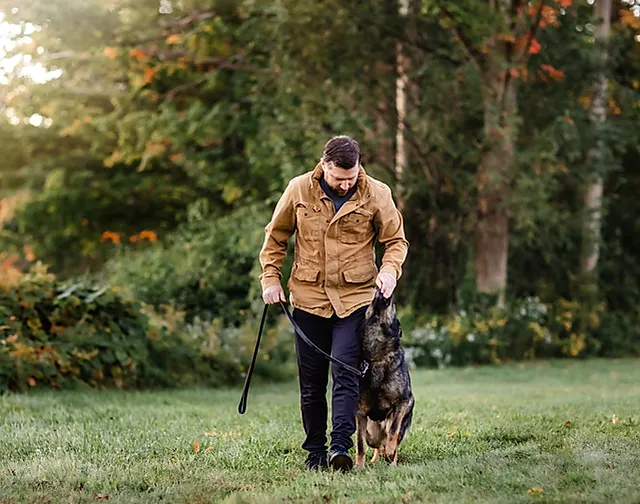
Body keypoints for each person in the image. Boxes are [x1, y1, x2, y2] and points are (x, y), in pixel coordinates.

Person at [258, 135, 409, 471]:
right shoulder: (298, 189)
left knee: (346, 371)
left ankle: (341, 447)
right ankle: (315, 453)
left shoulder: (377, 193)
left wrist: (388, 271)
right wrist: (270, 279)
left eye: (350, 178)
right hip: (308, 300)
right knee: (311, 383)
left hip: (355, 301)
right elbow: (276, 237)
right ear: (323, 165)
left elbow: (395, 241)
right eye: (338, 178)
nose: (344, 185)